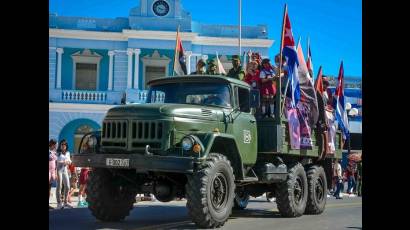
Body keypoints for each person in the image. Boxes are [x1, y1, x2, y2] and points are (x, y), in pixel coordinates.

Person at [56, 139, 72, 209]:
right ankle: (59, 203)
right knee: (59, 186)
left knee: (68, 186)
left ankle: (65, 202)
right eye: (62, 144)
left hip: (65, 169)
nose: (63, 146)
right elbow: (56, 161)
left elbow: (70, 161)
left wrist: (68, 162)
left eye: (64, 144)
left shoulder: (68, 152)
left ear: (66, 146)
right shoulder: (58, 153)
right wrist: (63, 162)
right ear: (60, 145)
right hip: (59, 169)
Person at [49, 139, 58, 209]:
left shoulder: (54, 152)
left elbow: (55, 163)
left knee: (49, 188)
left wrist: (56, 173)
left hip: (52, 172)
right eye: (55, 144)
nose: (56, 145)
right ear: (52, 144)